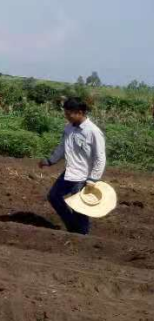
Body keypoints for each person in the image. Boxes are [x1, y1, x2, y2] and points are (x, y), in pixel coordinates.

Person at [38, 97, 106, 235]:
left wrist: (93, 179)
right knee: (53, 196)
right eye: (66, 114)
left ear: (80, 112)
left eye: (69, 114)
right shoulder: (68, 128)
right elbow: (62, 147)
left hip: (84, 176)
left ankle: (82, 234)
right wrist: (50, 161)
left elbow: (100, 157)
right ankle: (72, 226)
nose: (67, 117)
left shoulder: (93, 131)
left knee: (79, 206)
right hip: (70, 172)